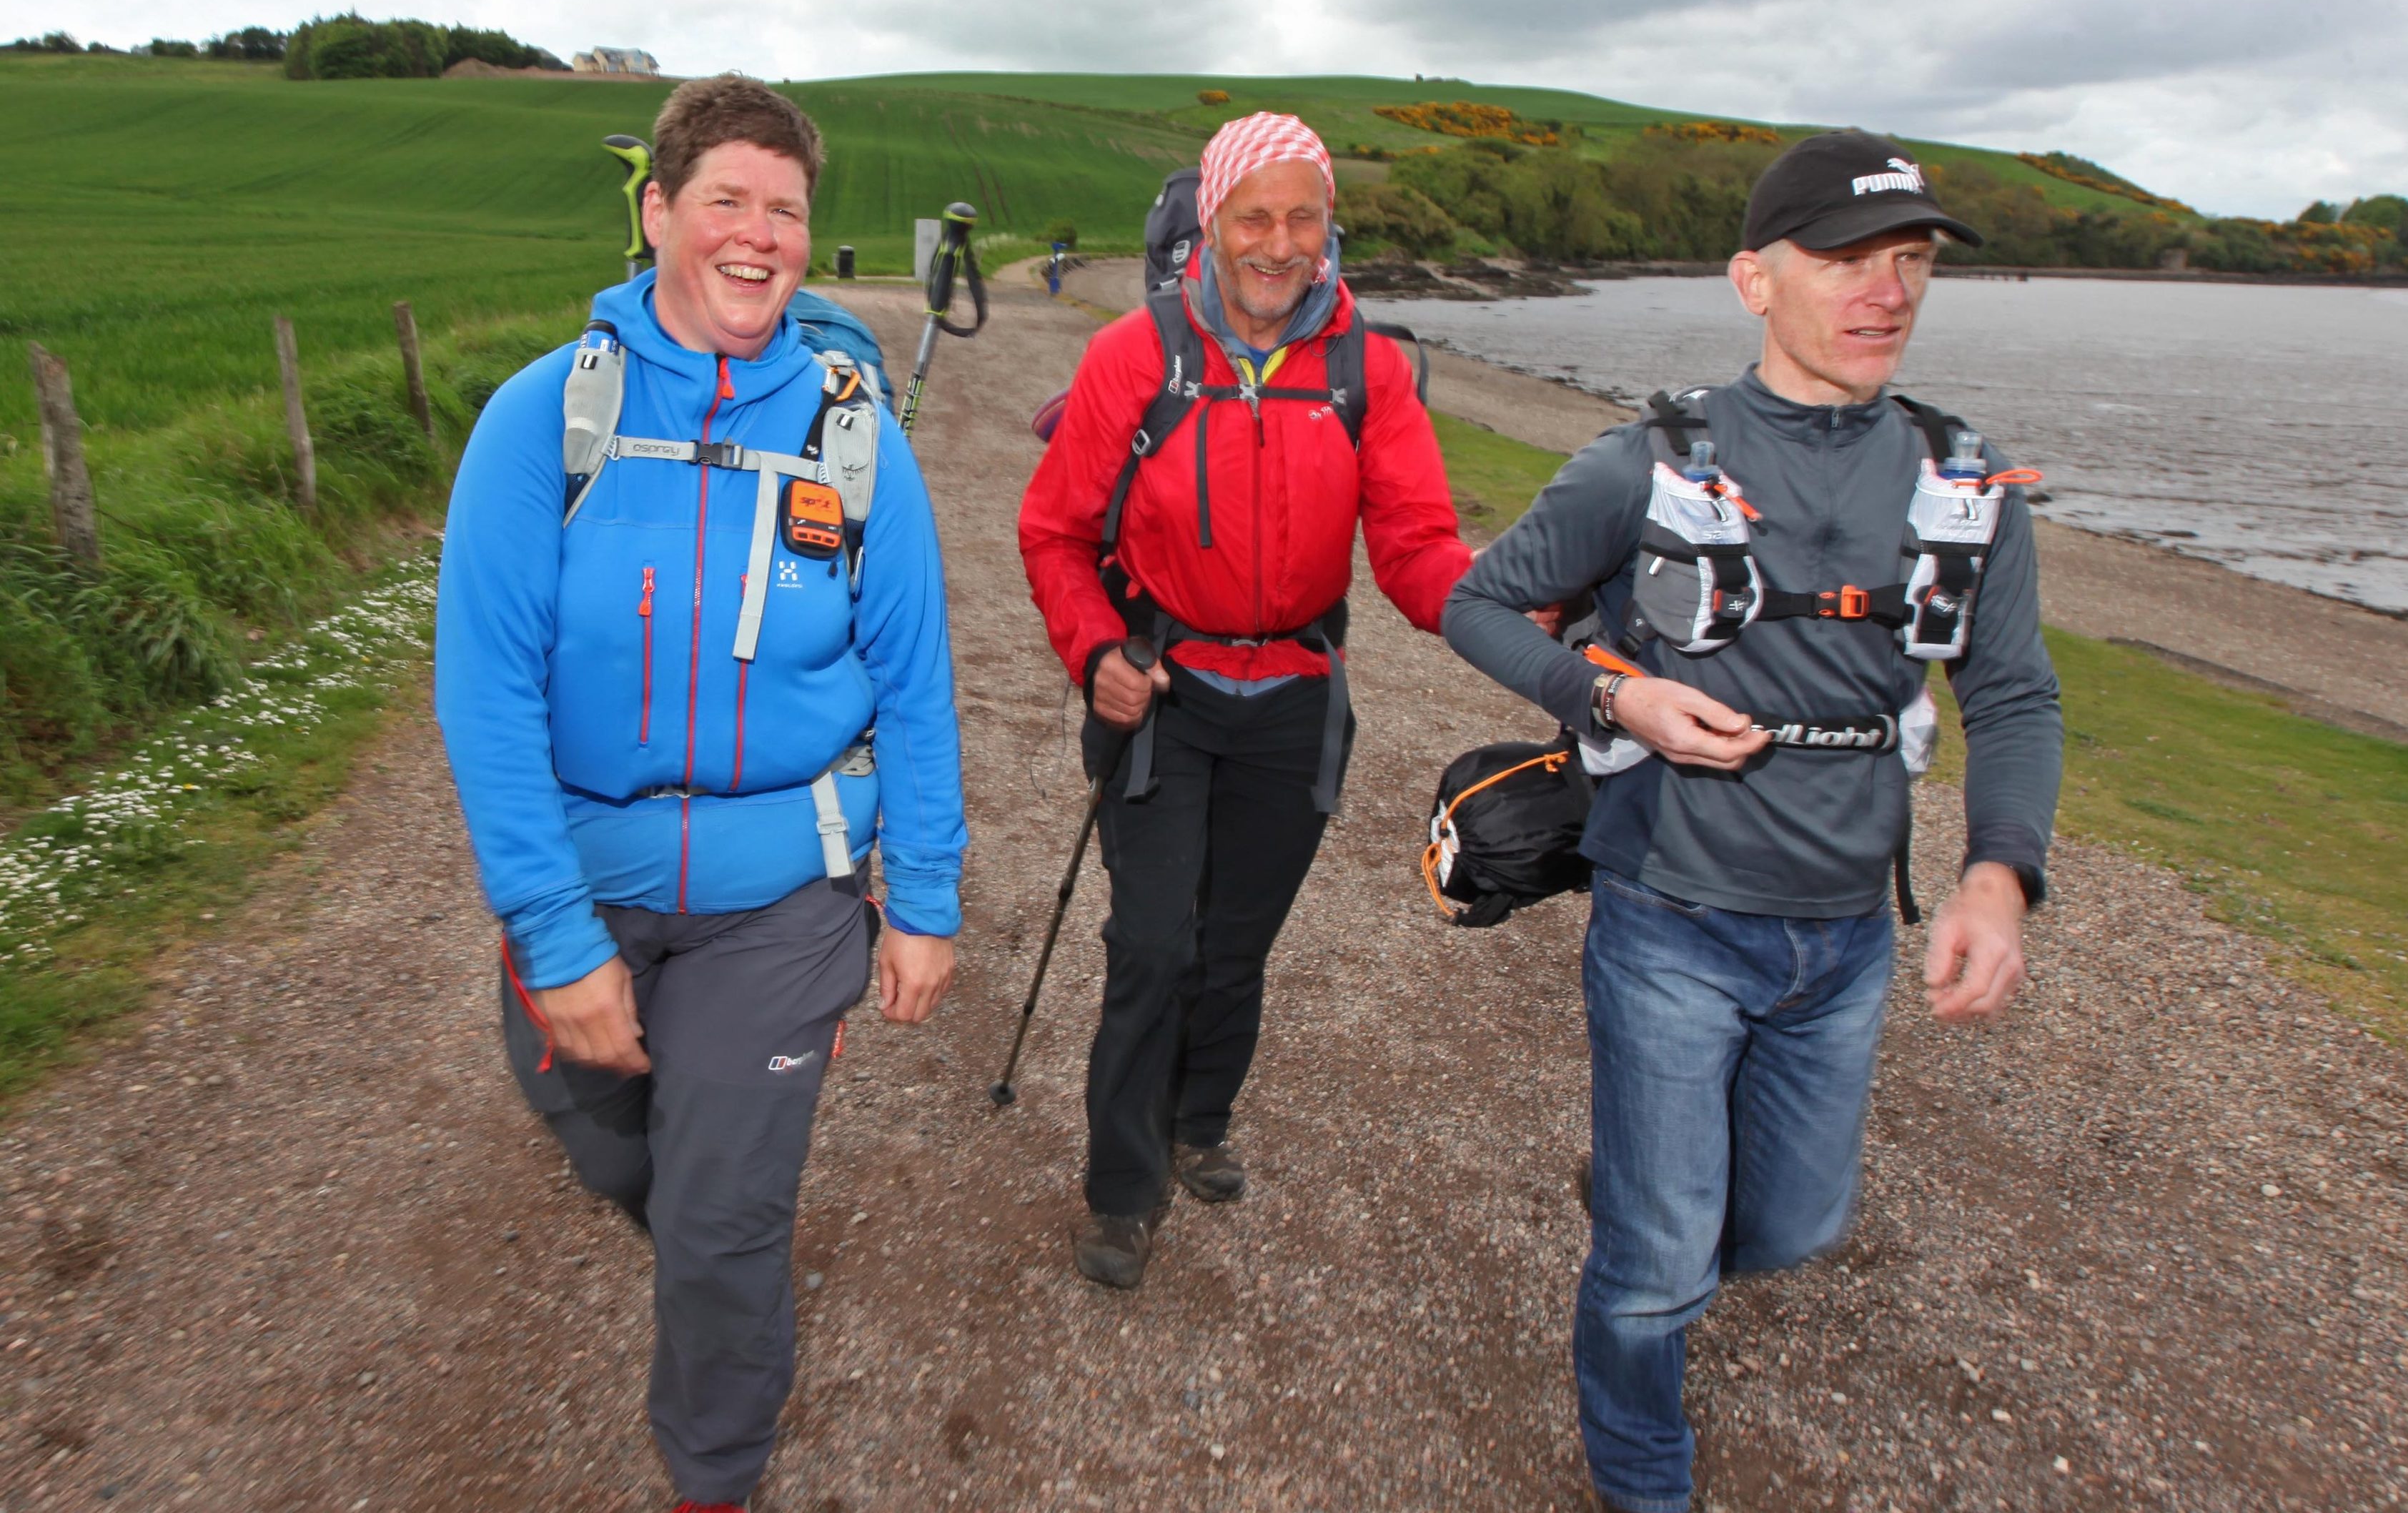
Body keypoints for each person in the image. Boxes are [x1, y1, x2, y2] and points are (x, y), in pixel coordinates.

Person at [1442, 131, 2064, 1513]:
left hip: (1848, 942)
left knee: (1791, 1230)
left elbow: (2012, 696)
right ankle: (1642, 1470)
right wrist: (1617, 698)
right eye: (1845, 259)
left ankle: (1644, 1195)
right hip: (1672, 918)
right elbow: (1473, 603)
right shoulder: (1643, 465)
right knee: (1662, 1265)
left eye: (1908, 262)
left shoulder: (1965, 483)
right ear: (1751, 280)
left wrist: (2000, 876)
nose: (1884, 290)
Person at [435, 75, 965, 1512]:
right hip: (591, 878)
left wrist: (923, 898)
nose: (760, 234)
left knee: (725, 1215)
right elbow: (484, 694)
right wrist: (554, 936)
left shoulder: (857, 439)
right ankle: (709, 1182)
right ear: (659, 213)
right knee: (621, 1161)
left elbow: (915, 682)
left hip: (783, 897)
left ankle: (712, 1475)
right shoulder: (541, 421)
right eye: (726, 198)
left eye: (786, 209)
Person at [1018, 112, 1473, 1289]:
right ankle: (1123, 1190)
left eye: (1302, 217)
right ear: (1211, 224)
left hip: (1295, 696)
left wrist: (1525, 618)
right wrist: (1095, 653)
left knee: (1237, 944)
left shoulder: (1366, 368)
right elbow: (1056, 531)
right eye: (1254, 217)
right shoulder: (1134, 356)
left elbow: (1420, 547)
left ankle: (1198, 1119)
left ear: (1330, 230)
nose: (1279, 243)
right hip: (1161, 687)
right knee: (1152, 943)